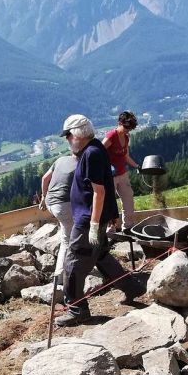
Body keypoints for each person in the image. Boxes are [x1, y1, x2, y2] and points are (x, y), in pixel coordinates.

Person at [55, 114, 143, 327]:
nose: (67, 140)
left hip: (88, 221)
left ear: (77, 135)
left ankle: (77, 310)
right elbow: (106, 182)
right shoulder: (95, 148)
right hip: (98, 217)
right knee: (101, 255)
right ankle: (132, 287)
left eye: (68, 136)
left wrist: (94, 225)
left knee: (73, 263)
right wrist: (111, 215)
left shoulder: (92, 153)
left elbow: (100, 191)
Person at [39, 153, 78, 280]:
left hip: (51, 202)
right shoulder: (80, 165)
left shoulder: (60, 159)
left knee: (68, 233)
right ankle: (60, 277)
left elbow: (45, 178)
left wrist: (43, 198)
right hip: (63, 205)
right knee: (67, 240)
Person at [101, 111, 140, 231]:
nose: (128, 130)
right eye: (126, 127)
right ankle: (111, 228)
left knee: (128, 199)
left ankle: (128, 226)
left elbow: (125, 156)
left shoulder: (126, 138)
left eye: (130, 128)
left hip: (123, 174)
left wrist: (137, 166)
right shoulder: (111, 135)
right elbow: (98, 152)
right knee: (110, 203)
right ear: (119, 123)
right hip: (109, 176)